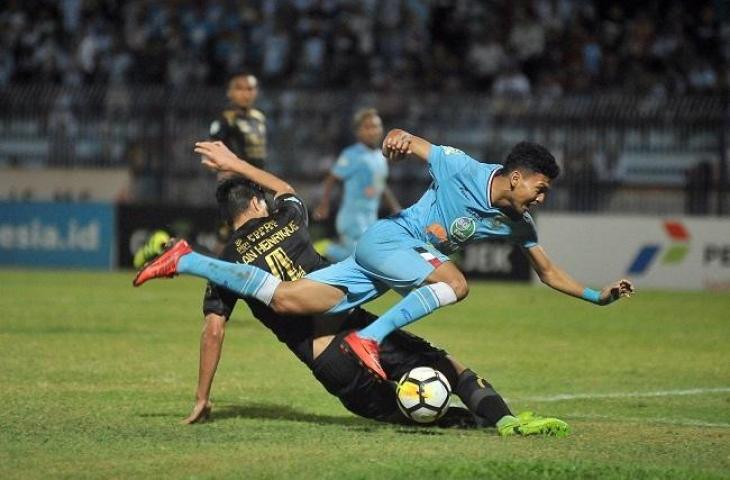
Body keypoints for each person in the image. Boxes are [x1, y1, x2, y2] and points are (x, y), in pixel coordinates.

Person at [135, 135, 635, 382]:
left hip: (387, 266)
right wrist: (397, 138)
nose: (541, 199)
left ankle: (186, 260)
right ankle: (370, 340)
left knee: (289, 301)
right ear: (517, 176)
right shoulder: (461, 166)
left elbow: (547, 272)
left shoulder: (517, 222)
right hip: (389, 242)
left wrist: (598, 297)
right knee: (456, 283)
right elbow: (411, 141)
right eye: (540, 189)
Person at [140, 148, 568, 436]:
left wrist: (202, 397)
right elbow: (284, 187)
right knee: (447, 367)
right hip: (353, 321)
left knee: (409, 413)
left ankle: (186, 260)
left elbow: (213, 331)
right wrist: (234, 161)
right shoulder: (288, 218)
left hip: (328, 358)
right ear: (255, 203)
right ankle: (506, 421)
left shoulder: (228, 266)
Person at [313, 108, 401, 262]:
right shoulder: (352, 154)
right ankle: (325, 248)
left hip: (370, 217)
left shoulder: (380, 156)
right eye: (368, 127)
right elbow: (332, 178)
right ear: (358, 132)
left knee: (361, 257)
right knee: (362, 257)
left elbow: (381, 185)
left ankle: (330, 254)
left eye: (376, 126)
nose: (373, 131)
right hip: (352, 217)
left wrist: (395, 207)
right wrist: (324, 204)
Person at [209, 72, 267, 169]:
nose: (245, 94)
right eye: (239, 89)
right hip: (236, 179)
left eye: (250, 89)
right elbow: (211, 151)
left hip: (258, 178)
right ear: (229, 92)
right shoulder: (225, 120)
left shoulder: (259, 117)